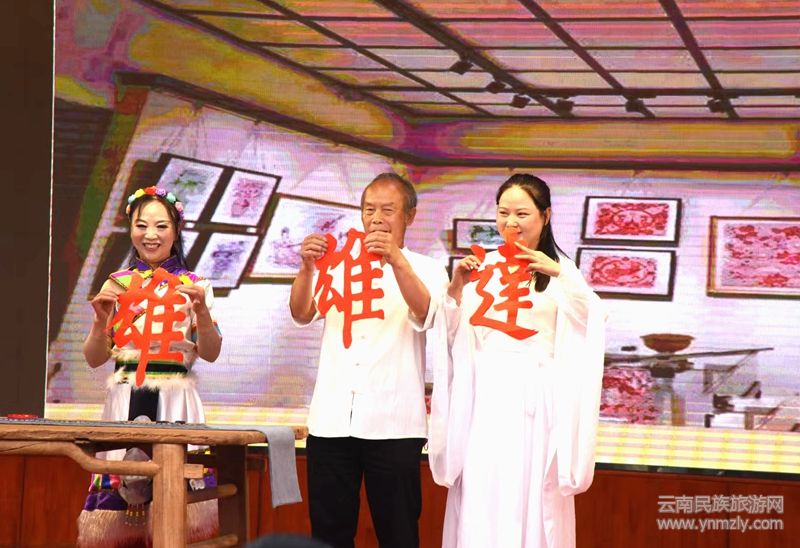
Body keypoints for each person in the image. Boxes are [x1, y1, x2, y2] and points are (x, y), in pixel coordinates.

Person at [428, 174, 607, 548]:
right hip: (484, 398)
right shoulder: (483, 266)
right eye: (503, 213)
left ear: (546, 216)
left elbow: (592, 321)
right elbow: (455, 337)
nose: (511, 222)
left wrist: (559, 273)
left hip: (535, 402)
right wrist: (456, 287)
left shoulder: (561, 270)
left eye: (522, 213)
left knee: (529, 491)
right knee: (482, 487)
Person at [289, 173, 448, 548]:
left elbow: (426, 313)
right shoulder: (336, 266)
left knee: (398, 533)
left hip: (394, 424)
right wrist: (308, 268)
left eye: (387, 210)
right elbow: (301, 313)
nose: (376, 218)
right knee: (329, 534)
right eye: (369, 210)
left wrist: (395, 260)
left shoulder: (428, 268)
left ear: (409, 216)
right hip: (331, 421)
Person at [78, 186, 222, 547]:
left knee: (173, 508)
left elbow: (211, 352)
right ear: (130, 228)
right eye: (141, 225)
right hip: (125, 395)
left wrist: (202, 312)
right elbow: (94, 358)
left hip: (175, 397)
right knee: (120, 511)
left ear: (176, 230)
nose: (150, 235)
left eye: (161, 226)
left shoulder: (195, 285)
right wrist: (100, 322)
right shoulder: (117, 282)